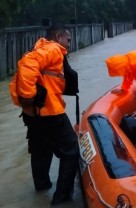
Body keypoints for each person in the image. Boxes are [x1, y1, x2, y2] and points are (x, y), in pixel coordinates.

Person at [9, 24, 79, 205]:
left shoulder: (38, 48)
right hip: (50, 113)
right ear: (58, 37)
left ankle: (42, 188)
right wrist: (28, 96)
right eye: (68, 40)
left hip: (32, 115)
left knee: (41, 150)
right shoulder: (54, 49)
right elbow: (27, 65)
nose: (69, 44)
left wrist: (27, 102)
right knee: (71, 151)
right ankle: (61, 200)